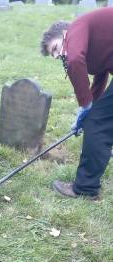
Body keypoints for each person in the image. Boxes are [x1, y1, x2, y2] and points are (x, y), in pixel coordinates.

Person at [40, 8, 113, 199]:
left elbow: (74, 60)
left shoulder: (77, 27)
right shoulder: (94, 37)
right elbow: (101, 74)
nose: (57, 56)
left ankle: (85, 189)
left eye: (55, 48)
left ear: (65, 34)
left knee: (97, 125)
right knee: (98, 119)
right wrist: (90, 107)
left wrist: (86, 107)